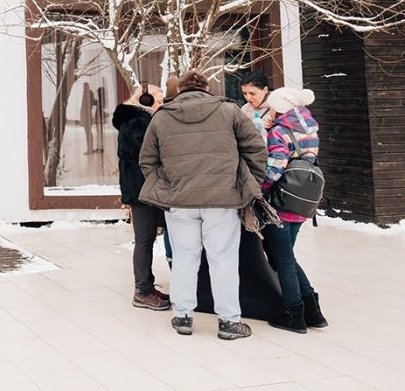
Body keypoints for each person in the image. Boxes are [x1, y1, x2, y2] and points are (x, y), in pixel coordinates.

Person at [139, 70, 266, 340]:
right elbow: (256, 148)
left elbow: (147, 160)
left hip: (180, 202)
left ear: (181, 89)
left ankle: (183, 316)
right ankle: (229, 322)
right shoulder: (229, 111)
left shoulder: (162, 117)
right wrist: (248, 182)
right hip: (222, 200)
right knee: (223, 261)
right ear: (206, 88)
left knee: (185, 259)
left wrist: (166, 187)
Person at [262, 86, 328, 333]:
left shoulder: (280, 132)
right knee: (287, 256)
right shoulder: (311, 129)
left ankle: (295, 314)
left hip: (280, 204)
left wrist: (262, 189)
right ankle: (313, 311)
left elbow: (275, 168)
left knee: (283, 261)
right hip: (301, 202)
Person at [112, 82, 170, 311]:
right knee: (144, 240)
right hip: (142, 190)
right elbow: (151, 152)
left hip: (147, 188)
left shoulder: (140, 120)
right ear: (145, 100)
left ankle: (147, 287)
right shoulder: (137, 122)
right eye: (160, 99)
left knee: (149, 238)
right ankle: (142, 290)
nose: (162, 104)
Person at [241, 71, 274, 138]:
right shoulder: (244, 109)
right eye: (245, 93)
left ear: (265, 90)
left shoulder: (277, 108)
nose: (248, 98)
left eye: (252, 93)